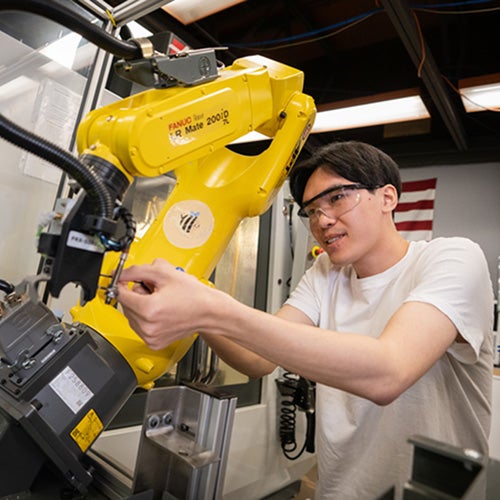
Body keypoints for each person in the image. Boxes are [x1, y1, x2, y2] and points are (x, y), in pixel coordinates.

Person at [116, 140, 494, 499]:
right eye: (311, 210)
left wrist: (210, 307)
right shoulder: (327, 272)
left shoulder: (453, 258)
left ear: (387, 197)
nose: (322, 220)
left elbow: (388, 372)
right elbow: (258, 359)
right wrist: (195, 306)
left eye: (337, 198)